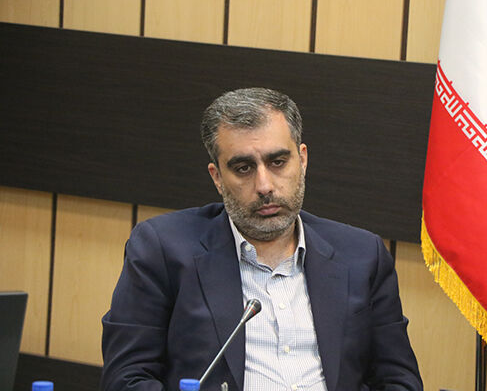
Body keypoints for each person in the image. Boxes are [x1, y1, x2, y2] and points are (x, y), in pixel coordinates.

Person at [101, 88, 422, 391]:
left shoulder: (362, 255)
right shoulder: (163, 249)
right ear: (217, 177)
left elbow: (399, 380)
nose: (264, 185)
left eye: (278, 162)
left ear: (303, 160)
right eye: (243, 168)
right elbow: (127, 378)